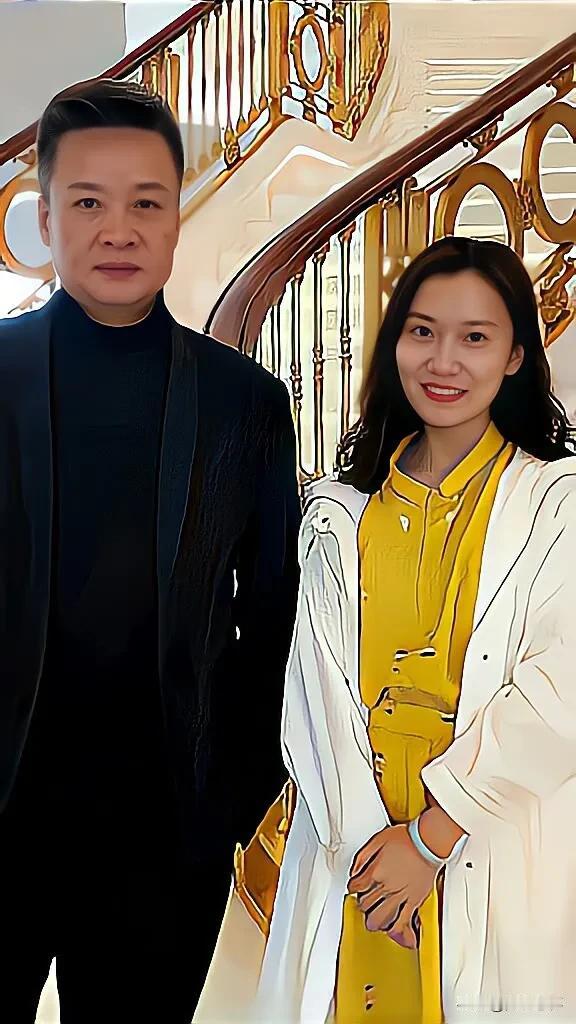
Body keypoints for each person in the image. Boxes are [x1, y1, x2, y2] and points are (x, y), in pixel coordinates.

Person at [206, 236, 576, 1023]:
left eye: (475, 337)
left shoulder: (557, 504)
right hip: (358, 847)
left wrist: (430, 842)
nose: (444, 361)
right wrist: (374, 861)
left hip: (489, 833)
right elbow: (315, 699)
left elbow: (559, 693)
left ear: (516, 355)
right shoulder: (340, 510)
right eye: (422, 332)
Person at [0, 79, 300, 1023]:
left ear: (176, 219)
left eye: (146, 203)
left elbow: (276, 615)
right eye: (88, 202)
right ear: (45, 220)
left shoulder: (245, 403)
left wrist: (233, 800)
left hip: (163, 838)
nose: (118, 230)